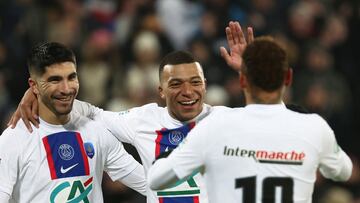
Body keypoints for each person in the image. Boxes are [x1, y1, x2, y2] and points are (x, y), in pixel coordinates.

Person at [7, 22, 254, 203]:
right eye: (176, 84)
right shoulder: (142, 120)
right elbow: (93, 111)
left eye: (195, 82)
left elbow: (274, 119)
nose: (188, 91)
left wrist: (251, 74)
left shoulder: (224, 119)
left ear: (206, 85)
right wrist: (38, 94)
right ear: (161, 91)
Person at [147, 36, 353, 202]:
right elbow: (344, 172)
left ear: (243, 79)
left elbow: (156, 180)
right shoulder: (314, 127)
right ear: (288, 78)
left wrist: (167, 155)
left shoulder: (214, 126)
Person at [0, 42, 146, 203]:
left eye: (71, 77)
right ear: (33, 86)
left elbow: (151, 185)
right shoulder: (13, 141)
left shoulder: (96, 133)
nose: (66, 88)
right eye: (55, 80)